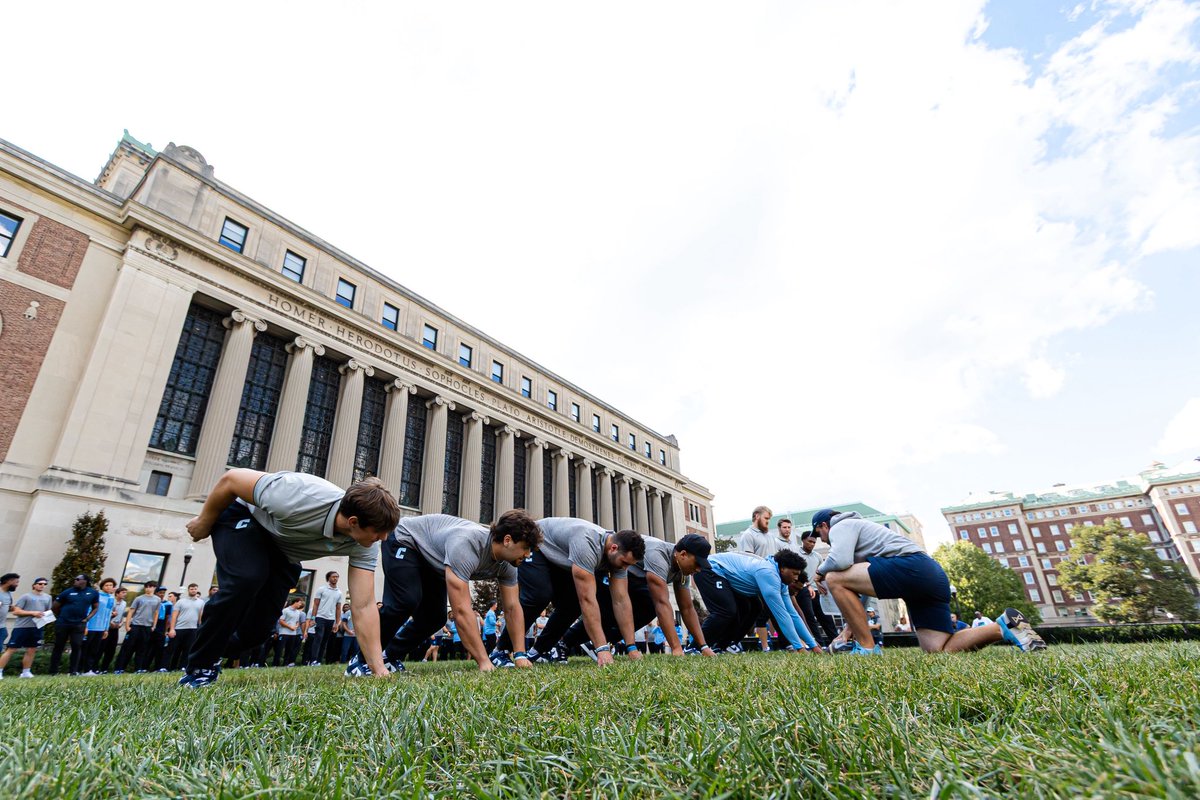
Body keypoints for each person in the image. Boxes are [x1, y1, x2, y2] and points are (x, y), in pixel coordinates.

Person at [181, 469, 401, 688]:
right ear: (353, 521)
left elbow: (363, 605)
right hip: (245, 517)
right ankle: (200, 667)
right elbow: (231, 479)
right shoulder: (296, 494)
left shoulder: (366, 545)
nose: (384, 538)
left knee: (257, 632)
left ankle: (212, 646)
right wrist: (204, 521)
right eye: (378, 531)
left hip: (282, 552)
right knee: (247, 578)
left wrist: (378, 669)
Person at [810, 509, 1047, 655]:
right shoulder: (861, 536)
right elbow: (858, 596)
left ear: (823, 526)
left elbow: (839, 562)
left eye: (819, 534)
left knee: (833, 576)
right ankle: (1002, 626)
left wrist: (819, 572)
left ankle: (867, 649)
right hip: (931, 575)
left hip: (911, 566)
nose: (823, 540)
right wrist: (847, 631)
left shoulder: (841, 525)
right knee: (938, 649)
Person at [350, 509, 542, 675]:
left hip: (434, 561)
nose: (528, 555)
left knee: (434, 618)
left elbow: (512, 608)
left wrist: (520, 654)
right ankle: (361, 661)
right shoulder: (467, 545)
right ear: (507, 540)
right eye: (525, 548)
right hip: (406, 540)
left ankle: (389, 657)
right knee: (404, 601)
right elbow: (461, 611)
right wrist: (484, 661)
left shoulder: (508, 565)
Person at [493, 517, 644, 668]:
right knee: (539, 595)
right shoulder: (587, 544)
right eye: (624, 563)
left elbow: (621, 601)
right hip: (540, 546)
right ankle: (501, 650)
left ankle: (540, 651)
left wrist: (631, 647)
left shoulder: (618, 561)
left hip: (561, 559)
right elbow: (587, 599)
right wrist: (602, 649)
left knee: (573, 604)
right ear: (613, 548)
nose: (624, 568)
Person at [560, 533, 716, 658]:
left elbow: (687, 608)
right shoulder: (659, 555)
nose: (698, 569)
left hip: (635, 583)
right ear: (683, 554)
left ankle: (599, 642)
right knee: (612, 611)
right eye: (697, 564)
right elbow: (662, 603)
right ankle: (564, 642)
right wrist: (676, 648)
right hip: (614, 573)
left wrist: (703, 646)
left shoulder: (683, 572)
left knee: (647, 608)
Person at [696, 550, 821, 654]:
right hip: (711, 569)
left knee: (755, 607)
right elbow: (782, 616)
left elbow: (793, 614)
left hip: (728, 577)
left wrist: (813, 644)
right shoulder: (768, 573)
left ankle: (724, 645)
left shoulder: (782, 581)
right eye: (794, 573)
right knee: (726, 611)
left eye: (798, 574)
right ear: (782, 568)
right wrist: (799, 647)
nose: (796, 578)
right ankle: (696, 647)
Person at [738, 506, 777, 651]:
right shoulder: (748, 535)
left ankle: (785, 643)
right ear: (756, 516)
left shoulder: (770, 536)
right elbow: (748, 560)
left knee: (774, 612)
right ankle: (765, 646)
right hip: (757, 580)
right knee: (760, 614)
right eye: (766, 518)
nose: (768, 522)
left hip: (772, 579)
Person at [0, 576, 51, 678]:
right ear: (34, 585)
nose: (42, 586)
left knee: (32, 649)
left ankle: (26, 672)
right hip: (22, 627)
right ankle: (0, 670)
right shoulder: (26, 596)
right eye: (40, 584)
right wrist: (32, 613)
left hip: (37, 627)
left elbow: (47, 612)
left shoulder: (48, 597)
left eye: (45, 584)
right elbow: (16, 611)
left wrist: (46, 618)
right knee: (12, 649)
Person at [48, 574, 99, 676]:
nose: (75, 581)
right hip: (63, 623)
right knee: (59, 646)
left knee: (77, 646)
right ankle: (53, 671)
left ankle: (73, 671)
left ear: (85, 581)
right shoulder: (67, 592)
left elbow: (95, 607)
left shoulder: (93, 593)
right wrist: (62, 615)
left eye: (78, 579)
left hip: (79, 624)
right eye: (75, 579)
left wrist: (87, 618)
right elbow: (54, 607)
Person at [795, 529, 840, 645]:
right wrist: (807, 585)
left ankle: (836, 643)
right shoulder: (796, 554)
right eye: (809, 541)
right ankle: (817, 644)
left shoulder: (818, 556)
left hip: (818, 591)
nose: (812, 544)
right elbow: (797, 574)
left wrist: (824, 586)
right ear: (803, 540)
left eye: (814, 542)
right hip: (804, 590)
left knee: (826, 618)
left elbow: (821, 574)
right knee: (809, 618)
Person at [115, 581, 162, 673]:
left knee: (142, 648)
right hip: (135, 625)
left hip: (147, 627)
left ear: (154, 588)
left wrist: (154, 625)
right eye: (146, 587)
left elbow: (156, 613)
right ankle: (119, 669)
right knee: (128, 647)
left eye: (150, 587)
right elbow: (131, 611)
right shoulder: (139, 598)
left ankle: (138, 669)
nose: (148, 588)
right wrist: (127, 625)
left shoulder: (157, 599)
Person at [82, 578, 117, 675]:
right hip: (91, 626)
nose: (109, 587)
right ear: (102, 586)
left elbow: (108, 614)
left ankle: (89, 670)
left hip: (101, 628)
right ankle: (78, 669)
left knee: (95, 650)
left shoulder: (111, 598)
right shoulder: (96, 595)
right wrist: (86, 626)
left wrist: (106, 629)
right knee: (85, 648)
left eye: (111, 585)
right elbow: (89, 610)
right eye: (106, 585)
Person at [308, 571, 343, 666]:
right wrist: (313, 618)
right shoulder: (321, 589)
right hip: (320, 617)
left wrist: (337, 623)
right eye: (333, 576)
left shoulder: (339, 592)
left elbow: (338, 608)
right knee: (318, 638)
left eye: (337, 577)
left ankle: (318, 661)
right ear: (328, 578)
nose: (335, 578)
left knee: (324, 640)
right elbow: (315, 604)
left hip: (331, 619)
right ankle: (313, 660)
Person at [167, 584, 205, 671]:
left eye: (195, 589)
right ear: (188, 590)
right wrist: (172, 629)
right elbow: (174, 616)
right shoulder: (181, 602)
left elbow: (200, 617)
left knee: (188, 649)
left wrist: (200, 629)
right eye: (191, 589)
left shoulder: (201, 602)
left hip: (193, 629)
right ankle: (171, 667)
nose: (193, 590)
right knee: (175, 649)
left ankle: (183, 667)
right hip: (179, 628)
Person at [96, 586, 127, 672]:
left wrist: (121, 623)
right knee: (101, 648)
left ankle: (104, 669)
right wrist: (110, 622)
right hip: (107, 628)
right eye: (123, 592)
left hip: (116, 628)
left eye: (125, 593)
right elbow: (105, 614)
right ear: (117, 594)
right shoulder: (111, 601)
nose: (125, 594)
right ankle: (95, 668)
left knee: (111, 649)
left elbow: (122, 615)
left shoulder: (124, 603)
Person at [275, 597, 307, 666]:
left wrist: (296, 626)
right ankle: (275, 664)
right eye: (300, 603)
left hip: (293, 634)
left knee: (289, 650)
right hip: (284, 633)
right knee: (279, 650)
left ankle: (285, 664)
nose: (300, 605)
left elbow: (297, 622)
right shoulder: (285, 610)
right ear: (295, 602)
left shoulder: (298, 612)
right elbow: (281, 621)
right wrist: (290, 627)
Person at [152, 588, 175, 670]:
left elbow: (168, 618)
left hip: (161, 627)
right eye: (160, 592)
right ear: (156, 593)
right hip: (151, 626)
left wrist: (165, 630)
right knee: (149, 648)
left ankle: (157, 667)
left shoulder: (168, 604)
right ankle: (144, 667)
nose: (162, 594)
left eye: (163, 593)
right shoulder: (153, 602)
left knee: (159, 649)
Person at [0, 573, 18, 653]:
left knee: (4, 634)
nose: (17, 585)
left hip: (1, 625)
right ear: (9, 581)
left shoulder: (8, 593)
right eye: (16, 582)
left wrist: (14, 608)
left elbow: (7, 607)